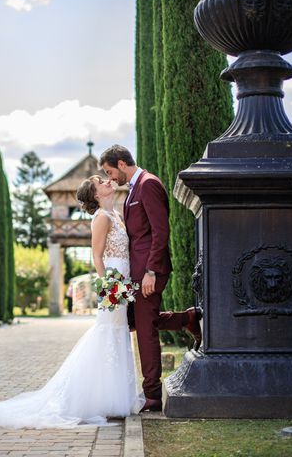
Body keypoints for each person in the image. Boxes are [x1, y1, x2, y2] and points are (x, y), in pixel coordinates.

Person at [0, 175, 144, 429]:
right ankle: (100, 401)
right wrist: (108, 287)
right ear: (95, 195)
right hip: (114, 284)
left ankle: (115, 399)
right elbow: (97, 255)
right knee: (109, 335)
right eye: (99, 182)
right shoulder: (102, 218)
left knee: (118, 336)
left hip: (123, 281)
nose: (106, 181)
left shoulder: (116, 214)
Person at [99, 144, 202, 412]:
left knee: (145, 330)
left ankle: (153, 396)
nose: (110, 178)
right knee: (136, 321)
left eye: (110, 171)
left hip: (149, 272)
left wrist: (152, 271)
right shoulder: (133, 188)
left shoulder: (148, 184)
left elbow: (160, 231)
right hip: (133, 275)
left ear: (122, 163)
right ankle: (188, 318)